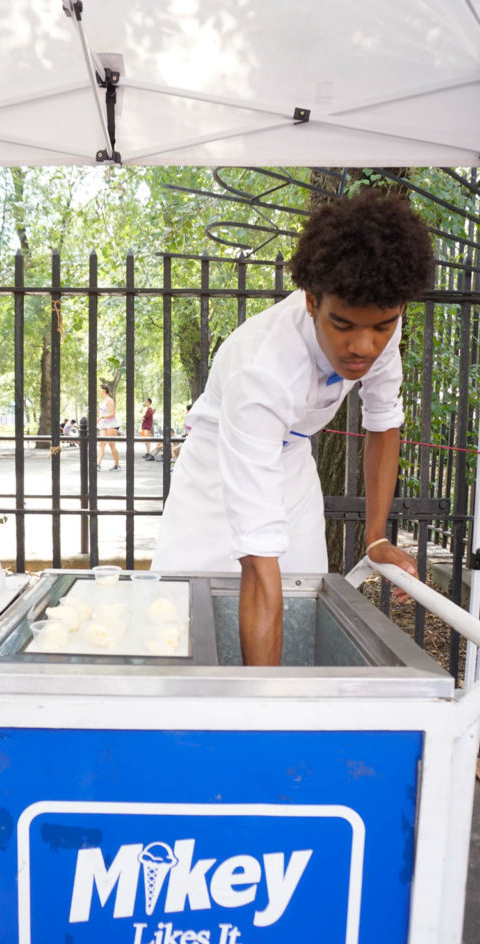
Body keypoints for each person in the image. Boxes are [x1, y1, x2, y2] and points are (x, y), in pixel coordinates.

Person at [151, 189, 434, 666]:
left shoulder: (382, 317)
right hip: (218, 465)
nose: (363, 346)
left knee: (301, 593)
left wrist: (377, 536)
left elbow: (384, 420)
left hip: (293, 458)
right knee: (180, 621)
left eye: (382, 327)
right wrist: (267, 715)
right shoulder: (260, 370)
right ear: (310, 301)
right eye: (342, 325)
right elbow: (259, 564)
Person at [96, 384, 121, 471]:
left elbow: (112, 414)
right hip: (103, 425)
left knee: (111, 445)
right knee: (101, 444)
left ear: (103, 390)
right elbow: (102, 411)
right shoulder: (103, 401)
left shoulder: (109, 400)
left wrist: (101, 417)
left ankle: (117, 465)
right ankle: (97, 465)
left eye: (100, 389)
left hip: (112, 425)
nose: (98, 391)